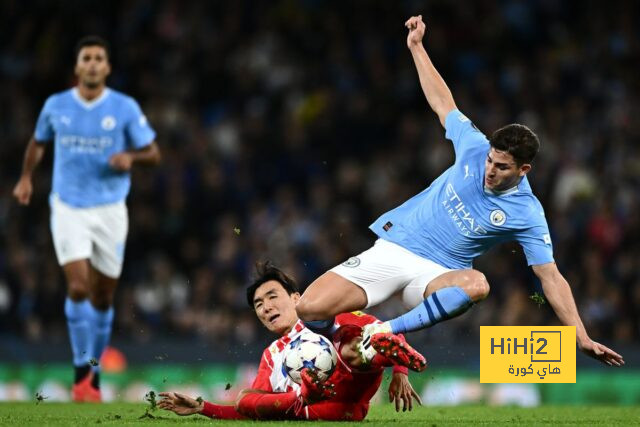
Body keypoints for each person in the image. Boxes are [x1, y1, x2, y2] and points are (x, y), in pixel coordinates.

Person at [295, 15, 624, 368]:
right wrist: (417, 47)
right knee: (308, 307)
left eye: (501, 167)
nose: (489, 170)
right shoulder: (474, 147)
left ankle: (386, 332)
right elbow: (442, 102)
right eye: (490, 161)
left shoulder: (527, 212)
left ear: (523, 169)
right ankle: (345, 346)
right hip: (394, 249)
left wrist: (579, 334)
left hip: (436, 276)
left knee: (478, 285)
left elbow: (550, 277)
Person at [12, 36, 161, 401]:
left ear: (107, 67)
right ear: (77, 67)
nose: (93, 63)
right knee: (78, 286)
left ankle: (92, 369)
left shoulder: (124, 107)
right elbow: (38, 142)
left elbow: (153, 153)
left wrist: (132, 158)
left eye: (99, 58)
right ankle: (84, 372)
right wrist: (27, 177)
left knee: (103, 296)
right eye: (86, 58)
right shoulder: (57, 105)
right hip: (68, 207)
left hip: (110, 209)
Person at [158, 263, 425, 421]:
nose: (266, 307)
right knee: (243, 398)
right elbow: (252, 410)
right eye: (259, 305)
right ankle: (303, 395)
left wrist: (400, 371)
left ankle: (375, 356)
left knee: (350, 344)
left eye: (272, 296)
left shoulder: (324, 316)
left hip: (351, 384)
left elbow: (386, 332)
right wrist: (204, 408)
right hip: (322, 409)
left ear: (296, 298)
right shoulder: (271, 354)